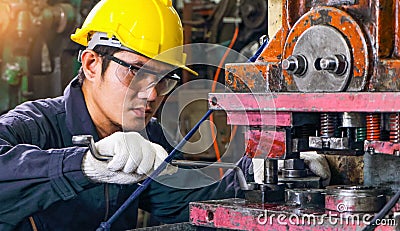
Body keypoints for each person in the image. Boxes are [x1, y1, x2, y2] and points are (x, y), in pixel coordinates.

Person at [0, 0, 329, 230]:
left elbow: (184, 197)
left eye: (163, 78)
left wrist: (263, 171)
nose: (152, 93)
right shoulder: (34, 126)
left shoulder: (147, 137)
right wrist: (87, 164)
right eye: (136, 71)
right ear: (90, 64)